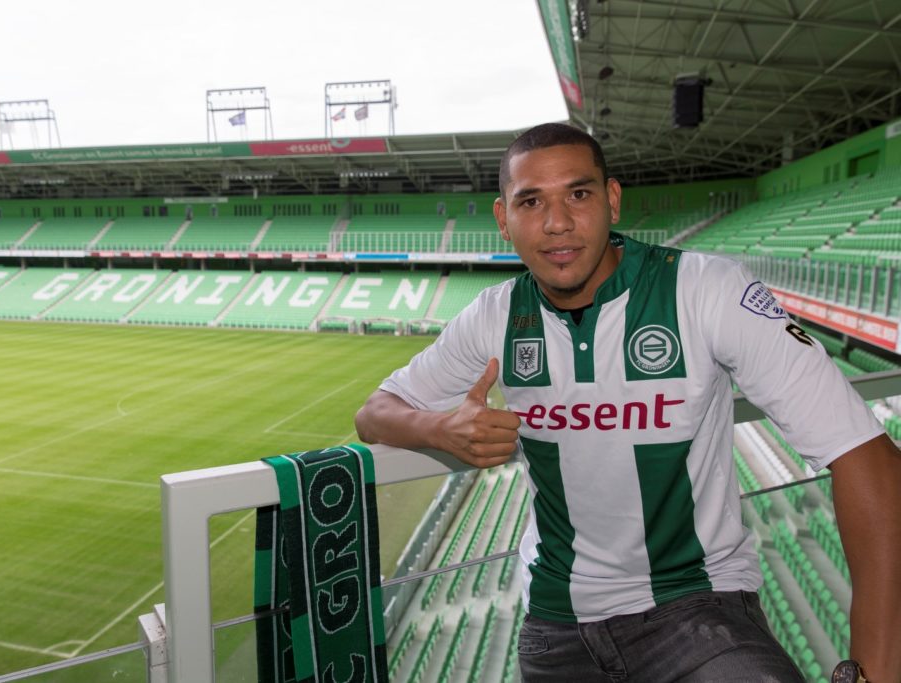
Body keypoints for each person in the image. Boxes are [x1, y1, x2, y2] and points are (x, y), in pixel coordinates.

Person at [355, 122, 901, 682]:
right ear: (503, 218)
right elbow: (374, 413)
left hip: (696, 609)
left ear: (612, 200)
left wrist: (875, 673)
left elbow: (866, 455)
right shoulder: (494, 315)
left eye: (578, 194)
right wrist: (439, 429)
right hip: (554, 626)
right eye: (531, 201)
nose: (557, 222)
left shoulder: (706, 289)